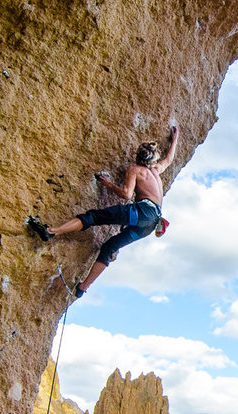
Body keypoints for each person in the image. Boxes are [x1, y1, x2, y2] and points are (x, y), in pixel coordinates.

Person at [28, 126, 178, 297]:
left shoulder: (135, 170)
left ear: (137, 156)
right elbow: (169, 159)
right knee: (109, 248)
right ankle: (82, 288)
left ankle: (50, 232)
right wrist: (175, 140)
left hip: (142, 212)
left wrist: (107, 184)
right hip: (150, 224)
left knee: (93, 217)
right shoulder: (156, 171)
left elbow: (126, 194)